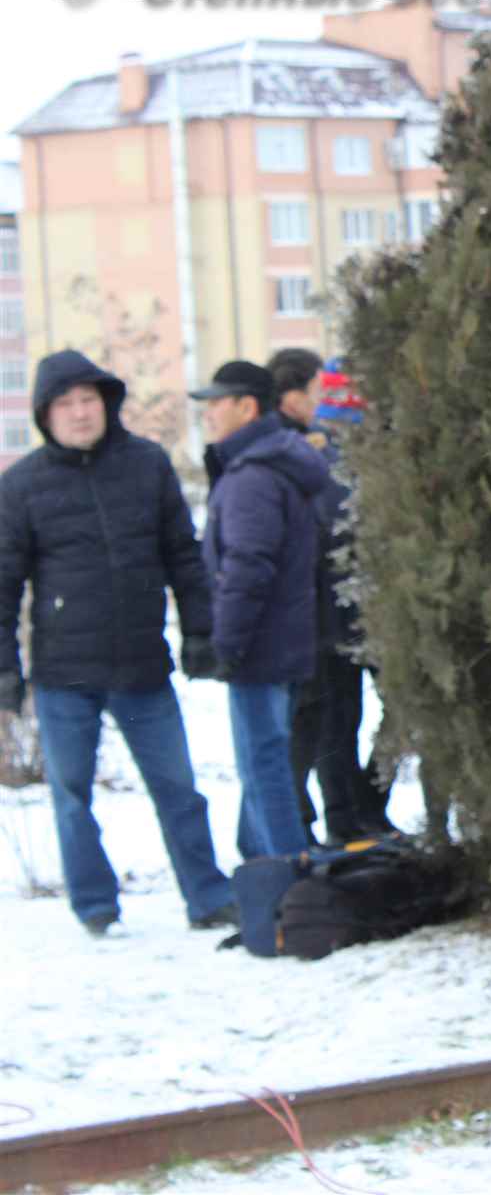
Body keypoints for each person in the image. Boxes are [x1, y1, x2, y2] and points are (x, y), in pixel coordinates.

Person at [0, 351, 236, 936]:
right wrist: (5, 668)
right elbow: (2, 584)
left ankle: (209, 896)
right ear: (45, 415)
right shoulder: (21, 486)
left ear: (106, 404)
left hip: (142, 666)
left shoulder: (147, 465)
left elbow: (183, 555)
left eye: (88, 400)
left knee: (178, 789)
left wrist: (200, 630)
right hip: (64, 674)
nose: (80, 413)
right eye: (65, 404)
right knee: (71, 795)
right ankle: (95, 905)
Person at [192, 359, 331, 860]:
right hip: (284, 640)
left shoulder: (252, 476)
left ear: (247, 407)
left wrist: (226, 645)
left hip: (259, 645)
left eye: (216, 403)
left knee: (263, 765)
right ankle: (262, 868)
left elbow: (248, 567)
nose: (208, 414)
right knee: (267, 760)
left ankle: (284, 878)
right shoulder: (275, 461)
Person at [267, 348, 388, 844]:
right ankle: (336, 820)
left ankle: (356, 812)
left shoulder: (363, 454)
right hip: (327, 613)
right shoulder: (314, 456)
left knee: (344, 720)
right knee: (329, 722)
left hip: (356, 612)